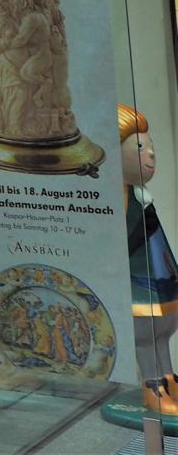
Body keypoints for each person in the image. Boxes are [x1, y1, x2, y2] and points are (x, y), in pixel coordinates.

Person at [121, 103, 178, 413]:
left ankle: (168, 378)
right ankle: (152, 385)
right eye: (141, 148)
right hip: (139, 282)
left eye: (150, 146)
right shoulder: (121, 204)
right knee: (145, 333)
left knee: (162, 331)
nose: (151, 154)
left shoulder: (141, 199)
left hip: (160, 276)